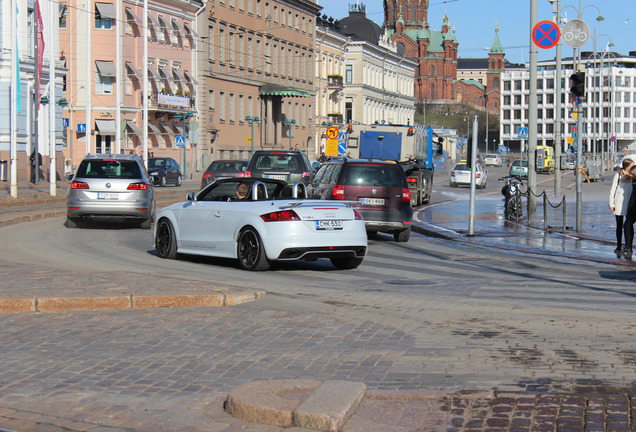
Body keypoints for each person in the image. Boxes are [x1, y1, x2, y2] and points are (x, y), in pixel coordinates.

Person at [617, 159, 636, 254]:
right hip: (632, 206)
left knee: (627, 224)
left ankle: (629, 247)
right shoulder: (632, 180)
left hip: (634, 206)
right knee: (628, 224)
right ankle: (628, 247)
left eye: (633, 173)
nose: (631, 174)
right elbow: (624, 179)